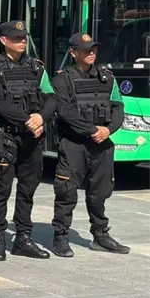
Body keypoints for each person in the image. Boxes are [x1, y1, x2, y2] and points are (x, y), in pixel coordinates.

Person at [0, 20, 56, 261]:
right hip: (7, 137)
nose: (22, 41)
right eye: (16, 38)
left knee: (27, 191)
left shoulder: (36, 67)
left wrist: (40, 118)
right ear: (4, 41)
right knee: (2, 190)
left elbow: (52, 97)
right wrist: (28, 120)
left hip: (32, 138)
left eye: (24, 37)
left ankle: (23, 238)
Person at [51, 33, 129, 257]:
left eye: (93, 49)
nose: (91, 53)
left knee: (100, 192)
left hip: (102, 143)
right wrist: (92, 130)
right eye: (85, 50)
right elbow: (64, 112)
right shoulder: (62, 78)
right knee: (66, 192)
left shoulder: (107, 77)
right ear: (73, 53)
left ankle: (100, 235)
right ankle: (61, 237)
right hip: (74, 143)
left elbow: (118, 107)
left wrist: (107, 130)